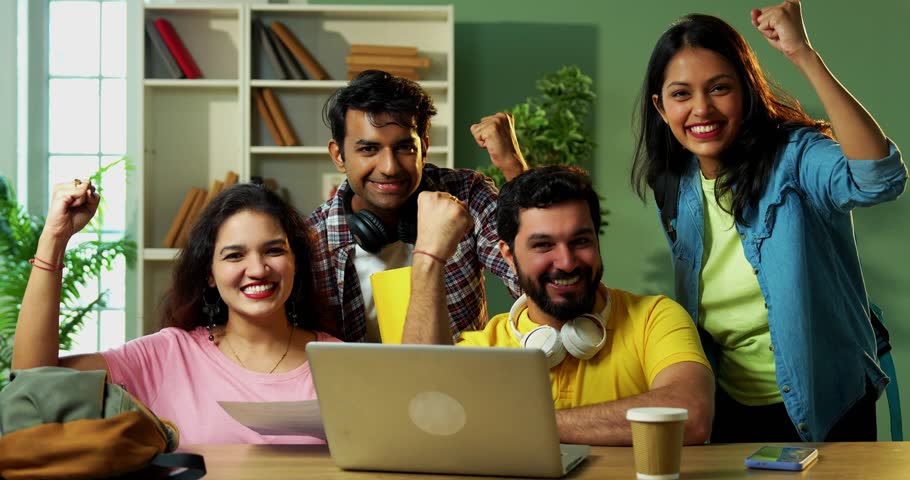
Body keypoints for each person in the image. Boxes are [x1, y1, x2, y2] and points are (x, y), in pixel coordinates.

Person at [631, 0, 907, 443]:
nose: (701, 109)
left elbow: (878, 179)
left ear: (746, 90)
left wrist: (804, 56)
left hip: (826, 402)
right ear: (662, 108)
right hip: (727, 403)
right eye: (681, 94)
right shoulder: (673, 184)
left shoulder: (795, 156)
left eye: (719, 88)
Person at [402, 166, 715, 446]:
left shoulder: (655, 318)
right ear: (509, 256)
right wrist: (429, 258)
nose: (566, 263)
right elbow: (419, 414)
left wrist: (520, 424)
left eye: (580, 241)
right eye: (543, 245)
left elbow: (692, 414)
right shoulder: (485, 348)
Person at [12, 181, 340, 445]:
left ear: (295, 261)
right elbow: (32, 382)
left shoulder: (341, 362)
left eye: (273, 250)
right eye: (234, 256)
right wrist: (54, 239)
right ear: (209, 273)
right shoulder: (167, 355)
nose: (257, 268)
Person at [307, 69, 526, 342]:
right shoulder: (313, 240)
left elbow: (537, 285)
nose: (389, 167)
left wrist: (514, 169)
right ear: (339, 156)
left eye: (404, 148)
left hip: (458, 380)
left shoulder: (466, 196)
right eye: (368, 149)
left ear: (424, 147)